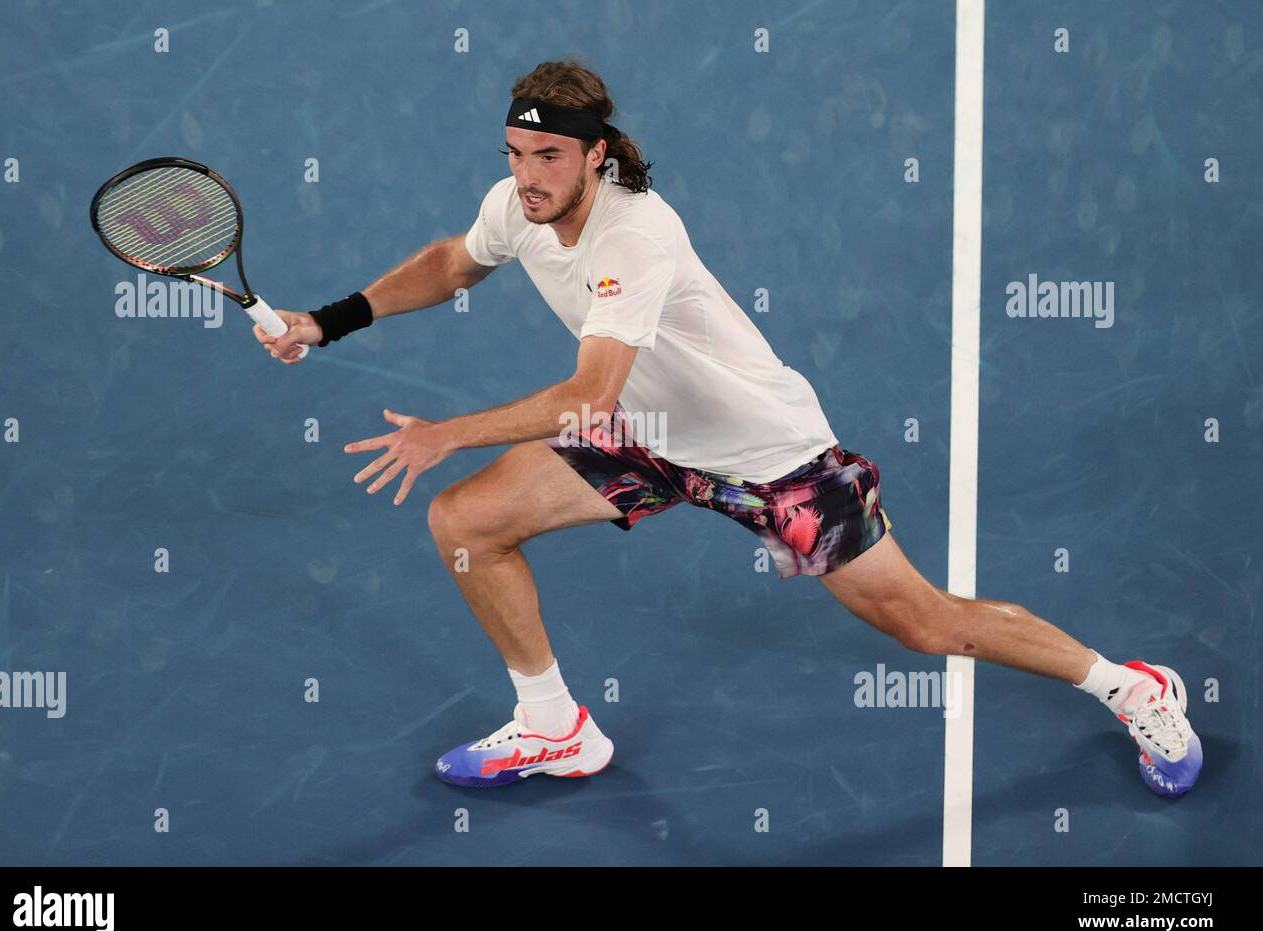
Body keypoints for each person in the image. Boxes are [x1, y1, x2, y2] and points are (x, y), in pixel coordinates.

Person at [254, 60, 1202, 798]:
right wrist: (322, 321)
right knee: (466, 523)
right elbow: (453, 264)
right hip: (652, 431)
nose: (525, 175)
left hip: (768, 458)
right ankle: (555, 727)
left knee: (924, 623)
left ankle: (1130, 688)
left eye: (547, 157)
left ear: (598, 155)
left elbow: (585, 395)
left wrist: (445, 433)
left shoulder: (637, 232)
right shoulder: (519, 207)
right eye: (513, 152)